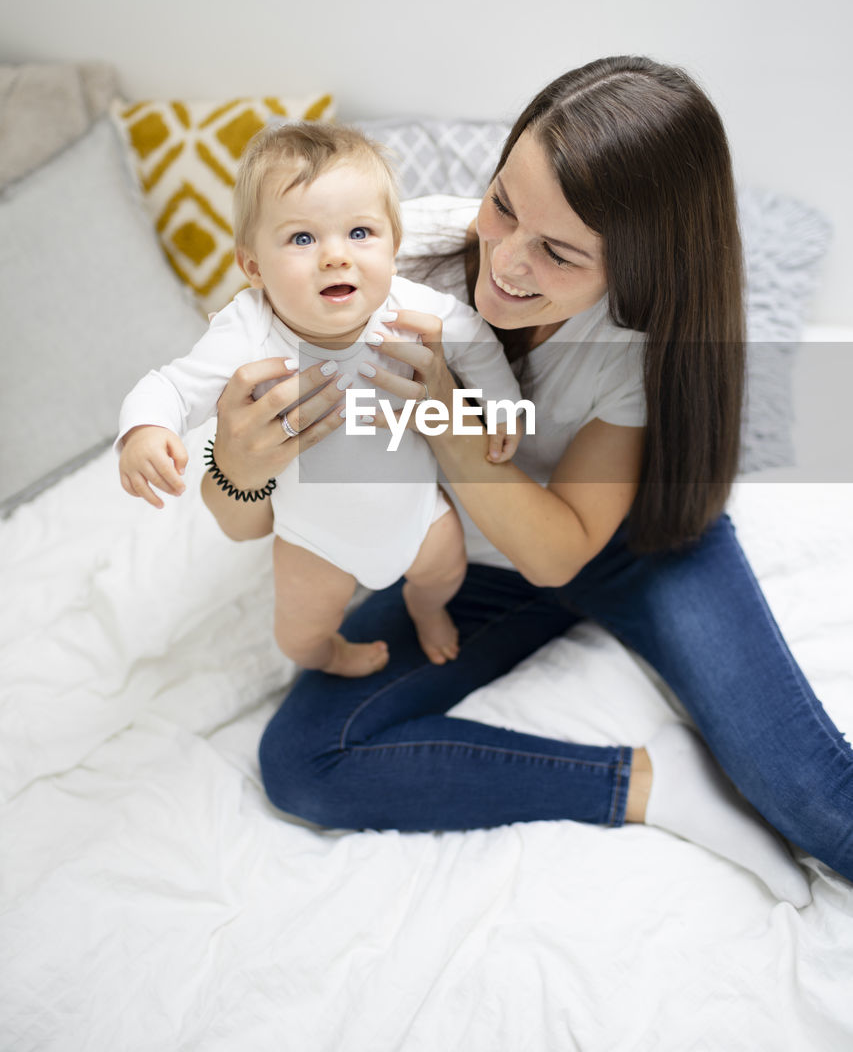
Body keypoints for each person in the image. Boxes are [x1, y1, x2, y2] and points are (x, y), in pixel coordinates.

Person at [200, 57, 853, 907]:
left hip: (630, 543)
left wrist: (446, 415)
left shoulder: (636, 342)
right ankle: (650, 785)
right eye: (504, 204)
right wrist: (238, 468)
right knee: (305, 762)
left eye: (557, 252)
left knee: (821, 805)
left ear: (634, 266)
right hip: (471, 562)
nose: (505, 261)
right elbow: (251, 515)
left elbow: (560, 554)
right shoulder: (385, 266)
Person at [117, 123, 524, 677]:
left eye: (360, 232)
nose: (336, 256)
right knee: (298, 636)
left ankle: (423, 610)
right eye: (302, 238)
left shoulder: (408, 307)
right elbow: (168, 386)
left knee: (443, 576)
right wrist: (145, 429)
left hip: (418, 516)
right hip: (314, 540)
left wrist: (500, 402)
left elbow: (475, 340)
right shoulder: (248, 329)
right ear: (253, 267)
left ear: (395, 245)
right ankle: (329, 654)